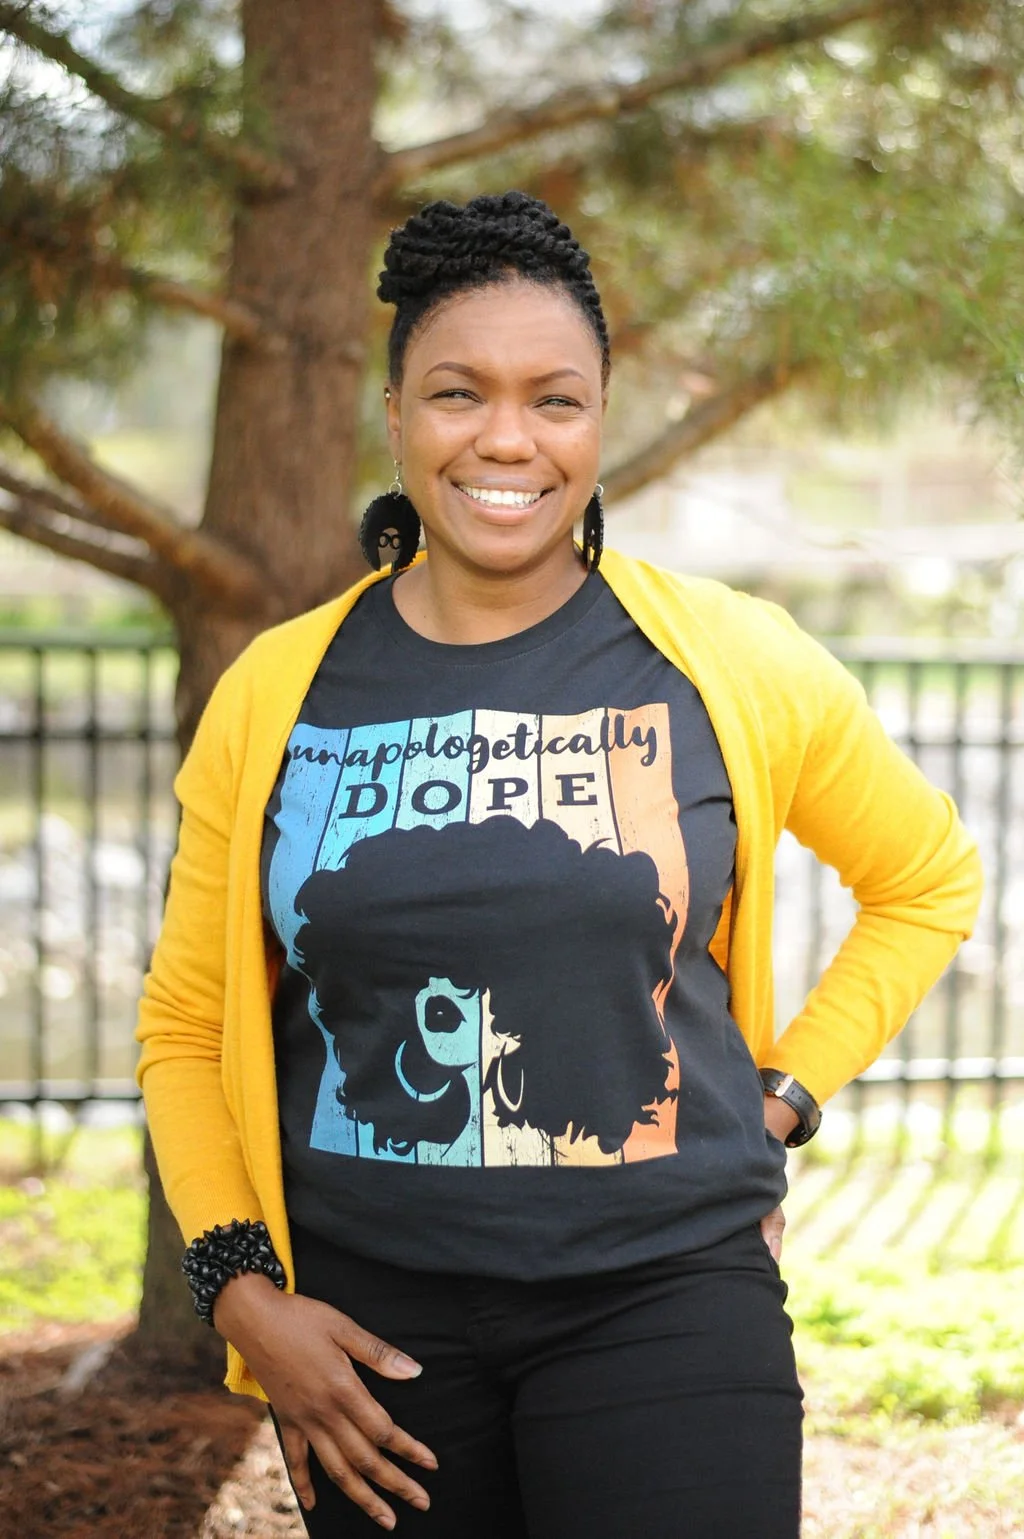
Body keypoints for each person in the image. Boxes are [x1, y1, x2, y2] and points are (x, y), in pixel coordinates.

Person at [136, 190, 983, 1538]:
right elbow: (186, 1027)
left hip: (665, 1302)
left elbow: (929, 880)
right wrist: (246, 1297)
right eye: (459, 393)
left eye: (556, 398)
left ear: (600, 419)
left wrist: (782, 1096)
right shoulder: (274, 694)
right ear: (398, 412)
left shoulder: (731, 660)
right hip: (371, 1335)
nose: (508, 438)